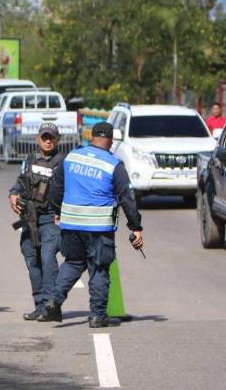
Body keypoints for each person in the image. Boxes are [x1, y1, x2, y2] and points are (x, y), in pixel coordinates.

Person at [41, 122, 144, 328]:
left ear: (91, 137)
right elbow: (127, 198)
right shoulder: (114, 164)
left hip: (71, 224)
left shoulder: (71, 157)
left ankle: (54, 299)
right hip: (98, 228)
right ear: (111, 141)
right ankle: (98, 316)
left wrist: (57, 212)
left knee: (73, 263)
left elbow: (55, 188)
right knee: (99, 269)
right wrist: (135, 227)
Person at [7, 122, 64, 321]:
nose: (48, 141)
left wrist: (63, 212)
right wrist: (13, 194)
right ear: (38, 139)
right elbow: (20, 181)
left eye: (51, 137)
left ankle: (51, 306)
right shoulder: (30, 159)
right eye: (44, 137)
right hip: (30, 218)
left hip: (51, 218)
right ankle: (39, 306)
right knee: (32, 261)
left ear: (58, 140)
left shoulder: (63, 162)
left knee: (48, 258)